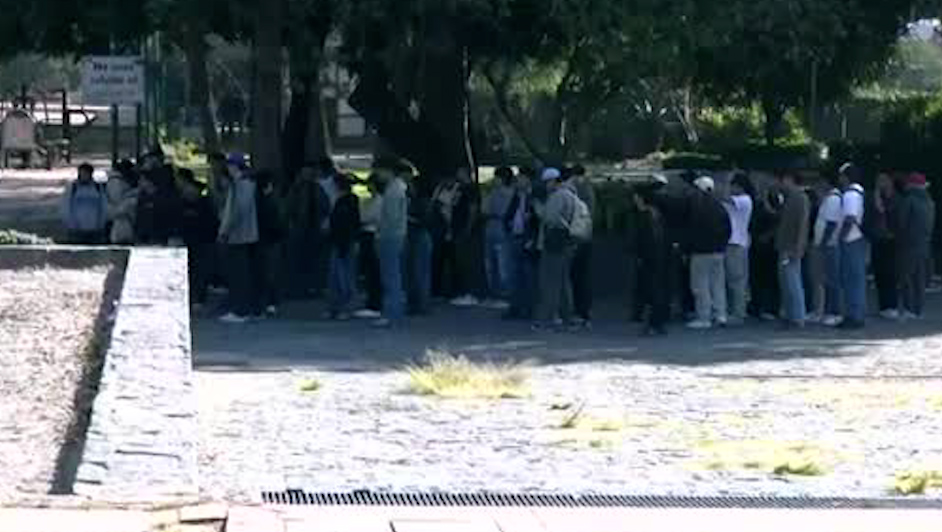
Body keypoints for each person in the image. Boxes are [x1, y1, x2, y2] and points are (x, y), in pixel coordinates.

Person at [532, 167, 579, 331]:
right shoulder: (571, 194)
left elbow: (548, 218)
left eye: (547, 182)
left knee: (549, 282)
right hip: (568, 243)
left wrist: (537, 207)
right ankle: (568, 317)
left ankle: (547, 319)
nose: (545, 186)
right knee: (564, 281)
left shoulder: (557, 196)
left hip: (554, 243)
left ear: (553, 181)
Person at [217, 154, 260, 324]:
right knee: (241, 273)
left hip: (239, 235)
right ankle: (243, 308)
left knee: (239, 274)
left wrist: (225, 230)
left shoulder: (241, 185)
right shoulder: (245, 184)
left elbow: (237, 211)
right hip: (244, 234)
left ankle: (240, 310)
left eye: (230, 165)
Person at [686, 176, 731, 329]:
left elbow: (691, 230)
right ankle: (720, 314)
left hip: (701, 251)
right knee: (718, 284)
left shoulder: (697, 207)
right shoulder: (720, 207)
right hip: (718, 251)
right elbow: (728, 229)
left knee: (700, 285)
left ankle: (704, 316)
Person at [633, 176, 672, 335]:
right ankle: (658, 321)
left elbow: (642, 239)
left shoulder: (644, 217)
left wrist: (639, 255)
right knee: (659, 288)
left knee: (652, 289)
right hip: (661, 256)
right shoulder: (658, 215)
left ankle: (654, 322)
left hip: (650, 258)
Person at [895, 172, 936, 320]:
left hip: (908, 243)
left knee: (906, 277)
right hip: (924, 243)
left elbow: (901, 222)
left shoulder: (909, 200)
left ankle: (908, 308)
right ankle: (918, 309)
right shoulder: (930, 202)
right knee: (919, 278)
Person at [774, 170, 811, 329]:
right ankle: (791, 315)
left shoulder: (799, 198)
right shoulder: (791, 198)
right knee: (786, 282)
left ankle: (797, 318)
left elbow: (803, 224)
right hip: (785, 245)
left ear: (789, 179)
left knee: (792, 282)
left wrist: (798, 246)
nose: (779, 184)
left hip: (790, 247)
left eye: (781, 180)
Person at [374, 163, 409, 328]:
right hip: (396, 235)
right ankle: (393, 313)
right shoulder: (397, 188)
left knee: (390, 276)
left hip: (390, 236)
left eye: (379, 170)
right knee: (392, 276)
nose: (378, 174)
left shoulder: (393, 191)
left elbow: (392, 218)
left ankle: (392, 314)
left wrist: (380, 233)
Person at [178, 168, 219, 308]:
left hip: (200, 239)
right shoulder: (187, 202)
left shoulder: (201, 204)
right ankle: (196, 297)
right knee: (194, 268)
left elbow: (209, 221)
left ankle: (198, 297)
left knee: (198, 269)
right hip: (195, 238)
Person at [503, 167, 539, 320]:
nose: (518, 181)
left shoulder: (534, 196)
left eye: (521, 178)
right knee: (514, 275)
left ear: (528, 179)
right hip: (515, 236)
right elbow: (509, 213)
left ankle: (530, 308)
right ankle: (515, 307)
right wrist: (509, 223)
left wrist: (533, 238)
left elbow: (538, 219)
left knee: (529, 276)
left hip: (528, 238)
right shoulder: (517, 196)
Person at [327, 173, 362, 320]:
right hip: (341, 241)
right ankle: (337, 307)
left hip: (344, 241)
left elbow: (348, 224)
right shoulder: (344, 201)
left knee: (344, 276)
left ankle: (345, 307)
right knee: (338, 276)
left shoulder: (346, 201)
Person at [838, 163, 868, 329]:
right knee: (856, 278)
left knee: (851, 279)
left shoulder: (850, 194)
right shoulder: (859, 192)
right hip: (858, 238)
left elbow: (850, 217)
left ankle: (853, 315)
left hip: (851, 239)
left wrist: (842, 236)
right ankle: (857, 313)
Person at [482, 166, 516, 309]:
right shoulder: (494, 192)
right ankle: (495, 293)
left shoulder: (507, 193)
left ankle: (505, 295)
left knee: (503, 264)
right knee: (492, 263)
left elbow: (486, 209)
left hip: (501, 228)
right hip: (492, 228)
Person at [813, 174, 844, 327]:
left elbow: (831, 223)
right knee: (826, 279)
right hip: (826, 244)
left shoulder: (833, 199)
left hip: (830, 245)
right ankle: (826, 310)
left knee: (832, 280)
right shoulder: (828, 198)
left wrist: (823, 243)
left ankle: (835, 312)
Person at [255, 169, 287, 317]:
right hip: (272, 239)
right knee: (271, 272)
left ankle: (269, 302)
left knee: (267, 272)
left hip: (266, 239)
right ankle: (271, 302)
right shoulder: (273, 201)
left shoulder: (260, 201)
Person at [724, 172, 754, 326]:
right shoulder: (737, 200)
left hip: (736, 243)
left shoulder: (744, 200)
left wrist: (725, 182)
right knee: (733, 279)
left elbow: (725, 198)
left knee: (737, 280)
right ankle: (734, 310)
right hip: (734, 242)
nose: (731, 188)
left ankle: (738, 313)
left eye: (733, 186)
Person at [749, 185, 782, 320]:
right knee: (757, 277)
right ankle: (757, 305)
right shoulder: (757, 205)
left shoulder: (776, 204)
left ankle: (771, 307)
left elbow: (777, 219)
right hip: (758, 245)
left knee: (770, 278)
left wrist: (768, 235)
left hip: (770, 246)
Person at [569, 164, 596, 327]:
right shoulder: (588, 189)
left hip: (579, 237)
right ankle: (583, 310)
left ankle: (581, 310)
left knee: (577, 275)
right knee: (581, 276)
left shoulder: (579, 190)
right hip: (586, 236)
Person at [869, 172, 899, 319]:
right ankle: (883, 306)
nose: (879, 183)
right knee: (879, 272)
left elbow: (882, 210)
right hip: (878, 238)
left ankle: (891, 305)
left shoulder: (894, 198)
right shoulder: (879, 196)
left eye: (882, 180)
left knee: (889, 273)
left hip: (890, 239)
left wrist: (876, 195)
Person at [354, 174, 384, 319]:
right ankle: (371, 301)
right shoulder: (367, 201)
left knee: (374, 270)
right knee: (368, 270)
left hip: (373, 235)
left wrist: (364, 219)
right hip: (365, 235)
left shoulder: (380, 201)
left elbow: (373, 218)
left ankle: (375, 304)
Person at [407, 168, 435, 316]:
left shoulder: (423, 202)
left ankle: (422, 304)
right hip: (414, 237)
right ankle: (416, 303)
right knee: (415, 271)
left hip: (420, 236)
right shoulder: (414, 200)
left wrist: (407, 217)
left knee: (420, 272)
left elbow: (425, 221)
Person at [62, 163, 108, 244]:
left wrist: (101, 223)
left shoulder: (98, 188)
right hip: (76, 230)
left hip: (95, 229)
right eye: (82, 173)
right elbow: (66, 206)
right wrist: (70, 223)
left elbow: (103, 206)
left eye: (86, 173)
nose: (84, 175)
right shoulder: (73, 188)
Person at [106, 163, 139, 245]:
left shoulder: (114, 182)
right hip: (122, 224)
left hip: (122, 224)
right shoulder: (116, 182)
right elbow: (117, 203)